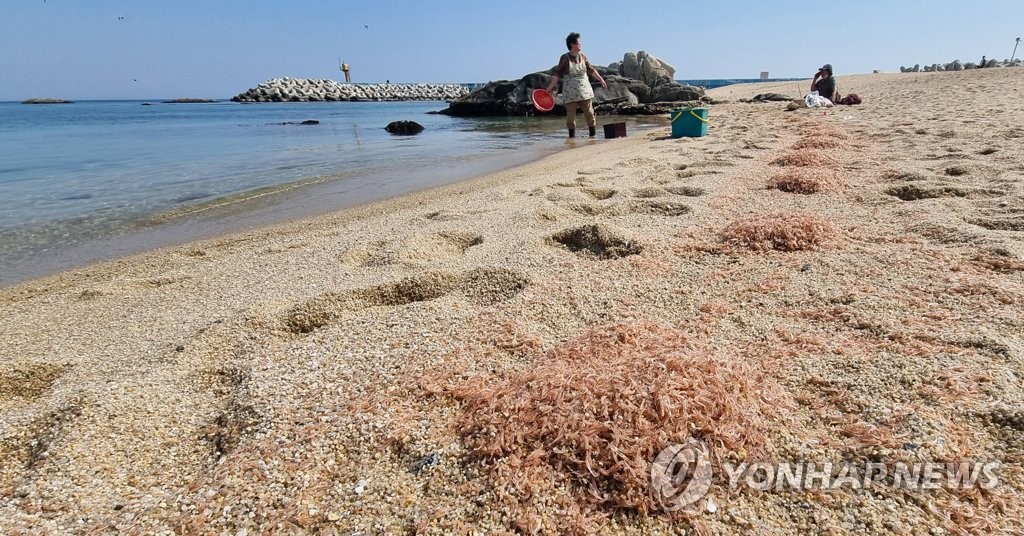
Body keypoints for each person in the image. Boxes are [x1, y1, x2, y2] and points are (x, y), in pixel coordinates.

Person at [545, 32, 607, 137]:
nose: (581, 44)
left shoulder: (583, 57)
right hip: (570, 92)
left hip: (584, 90)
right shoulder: (564, 58)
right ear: (572, 44)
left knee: (590, 113)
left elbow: (591, 70)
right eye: (579, 42)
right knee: (571, 118)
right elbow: (558, 74)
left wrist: (601, 80)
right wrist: (550, 88)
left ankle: (592, 136)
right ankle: (571, 140)